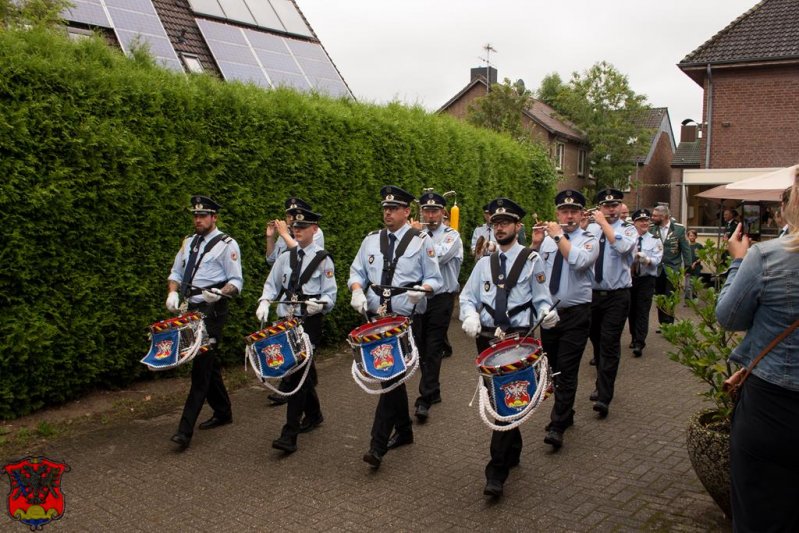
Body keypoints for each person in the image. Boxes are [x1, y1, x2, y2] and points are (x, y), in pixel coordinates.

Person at [460, 197, 557, 498]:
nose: (499, 227)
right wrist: (470, 315)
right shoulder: (483, 264)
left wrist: (548, 313)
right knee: (499, 396)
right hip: (488, 337)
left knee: (504, 402)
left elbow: (542, 298)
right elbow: (467, 297)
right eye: (496, 223)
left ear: (518, 226)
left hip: (518, 338)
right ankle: (513, 448)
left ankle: (496, 471)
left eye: (505, 223)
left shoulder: (531, 260)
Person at [716, 183, 799, 531]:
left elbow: (729, 317)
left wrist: (738, 262)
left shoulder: (767, 256)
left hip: (772, 407)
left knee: (758, 514)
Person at [348, 185, 442, 470]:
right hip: (376, 319)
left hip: (404, 321)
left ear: (406, 211)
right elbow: (357, 272)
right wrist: (356, 290)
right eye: (384, 209)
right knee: (392, 378)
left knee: (388, 376)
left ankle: (377, 446)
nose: (387, 213)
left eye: (393, 209)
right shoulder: (371, 241)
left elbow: (435, 279)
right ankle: (404, 430)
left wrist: (421, 290)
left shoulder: (421, 241)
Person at [166, 195, 243, 450]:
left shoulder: (227, 245)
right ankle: (223, 411)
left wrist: (221, 292)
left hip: (212, 310)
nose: (198, 220)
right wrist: (172, 291)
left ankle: (184, 431)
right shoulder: (188, 243)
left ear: (214, 217)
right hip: (189, 308)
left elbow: (236, 282)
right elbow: (176, 272)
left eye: (203, 216)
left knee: (200, 369)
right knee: (209, 365)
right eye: (195, 215)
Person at [256, 207, 336, 454]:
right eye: (295, 228)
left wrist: (319, 304)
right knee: (304, 374)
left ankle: (289, 434)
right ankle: (314, 414)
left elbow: (330, 295)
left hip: (309, 322)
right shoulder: (284, 258)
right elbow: (271, 285)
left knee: (294, 373)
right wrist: (264, 301)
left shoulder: (323, 259)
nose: (298, 231)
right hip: (286, 322)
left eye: (303, 228)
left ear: (314, 229)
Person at [531, 190, 598, 450]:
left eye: (574, 212)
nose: (569, 216)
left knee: (568, 369)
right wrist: (536, 245)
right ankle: (566, 413)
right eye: (564, 211)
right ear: (557, 213)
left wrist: (558, 235)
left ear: (582, 215)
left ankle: (557, 425)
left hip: (576, 313)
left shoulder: (589, 239)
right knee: (553, 368)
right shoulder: (547, 242)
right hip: (550, 315)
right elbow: (530, 270)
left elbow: (579, 261)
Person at [265, 197, 325, 406]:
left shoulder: (315, 234)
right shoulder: (287, 234)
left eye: (293, 217)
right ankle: (313, 411)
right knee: (299, 362)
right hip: (288, 304)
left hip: (306, 309)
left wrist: (285, 233)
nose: (289, 221)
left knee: (298, 362)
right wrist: (272, 238)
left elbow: (304, 256)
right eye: (289, 216)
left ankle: (290, 406)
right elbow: (273, 261)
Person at [411, 191, 463, 421]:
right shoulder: (416, 234)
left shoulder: (452, 236)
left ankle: (425, 398)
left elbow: (436, 256)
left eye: (434, 211)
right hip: (420, 297)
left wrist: (419, 236)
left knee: (433, 348)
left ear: (443, 213)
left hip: (442, 298)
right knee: (421, 347)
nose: (430, 215)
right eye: (426, 211)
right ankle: (434, 390)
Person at [587, 189, 636, 418]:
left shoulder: (628, 229)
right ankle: (600, 382)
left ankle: (605, 396)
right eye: (607, 206)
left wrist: (602, 224)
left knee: (609, 343)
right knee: (596, 343)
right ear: (600, 207)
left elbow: (623, 247)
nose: (611, 209)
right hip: (592, 295)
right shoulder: (590, 229)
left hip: (617, 295)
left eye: (615, 205)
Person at [627, 209, 663, 357]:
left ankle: (639, 342)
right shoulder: (628, 239)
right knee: (631, 310)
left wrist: (647, 260)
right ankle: (633, 336)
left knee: (642, 310)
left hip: (646, 279)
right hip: (630, 279)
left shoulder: (655, 239)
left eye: (647, 220)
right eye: (641, 221)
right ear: (634, 223)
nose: (645, 223)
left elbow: (657, 259)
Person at [650, 205, 691, 328]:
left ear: (664, 217)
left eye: (655, 216)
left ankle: (669, 322)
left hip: (673, 268)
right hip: (657, 269)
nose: (652, 218)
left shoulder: (678, 229)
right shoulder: (652, 229)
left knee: (670, 295)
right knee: (660, 296)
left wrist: (688, 267)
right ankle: (662, 323)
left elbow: (686, 249)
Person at [266, 197, 325, 267]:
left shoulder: (314, 231)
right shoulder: (286, 232)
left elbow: (302, 254)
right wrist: (270, 238)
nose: (290, 220)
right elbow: (271, 261)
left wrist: (284, 234)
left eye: (294, 217)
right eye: (288, 216)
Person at [685, 229, 703, 301]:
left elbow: (702, 257)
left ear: (696, 237)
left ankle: (695, 299)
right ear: (688, 237)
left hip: (696, 267)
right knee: (687, 285)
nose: (691, 237)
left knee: (694, 284)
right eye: (690, 236)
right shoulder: (686, 246)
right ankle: (687, 300)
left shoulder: (699, 246)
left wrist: (695, 263)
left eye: (693, 236)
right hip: (688, 268)